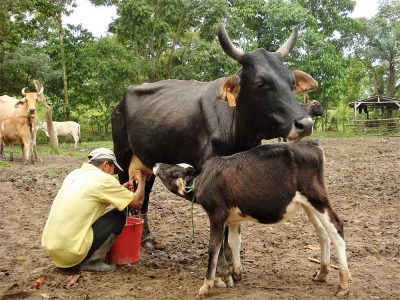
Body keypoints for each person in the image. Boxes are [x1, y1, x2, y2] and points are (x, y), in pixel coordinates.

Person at [42, 147, 146, 272]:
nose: (113, 173)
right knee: (119, 216)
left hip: (54, 249)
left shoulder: (74, 174)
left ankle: (77, 256)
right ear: (106, 165)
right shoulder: (104, 180)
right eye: (113, 169)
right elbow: (137, 203)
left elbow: (90, 199)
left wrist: (119, 190)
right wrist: (142, 179)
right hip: (71, 252)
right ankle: (91, 261)